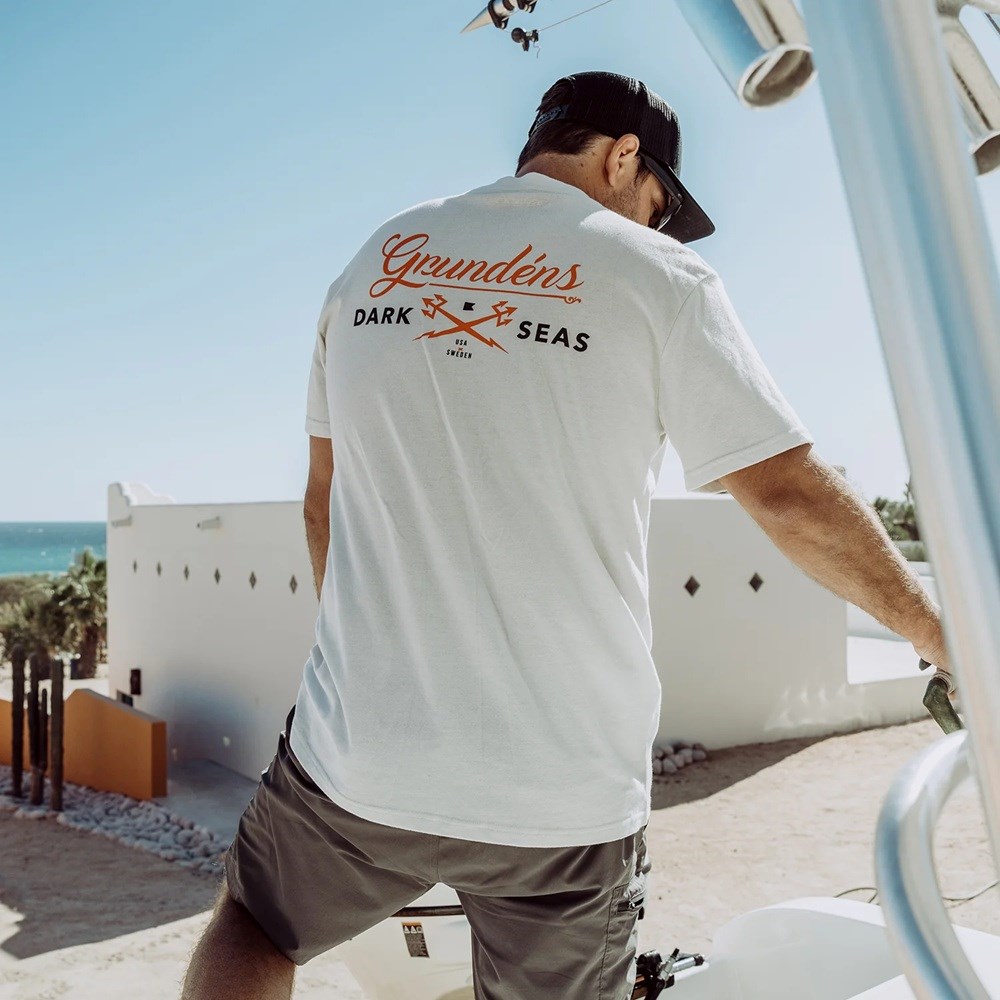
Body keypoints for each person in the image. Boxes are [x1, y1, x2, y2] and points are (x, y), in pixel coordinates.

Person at [181, 70, 954, 1000]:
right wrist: (940, 632)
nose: (658, 228)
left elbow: (323, 502)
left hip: (359, 758)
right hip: (561, 794)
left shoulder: (374, 259)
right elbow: (786, 494)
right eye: (660, 205)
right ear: (623, 157)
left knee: (256, 925)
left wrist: (372, 670)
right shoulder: (661, 278)